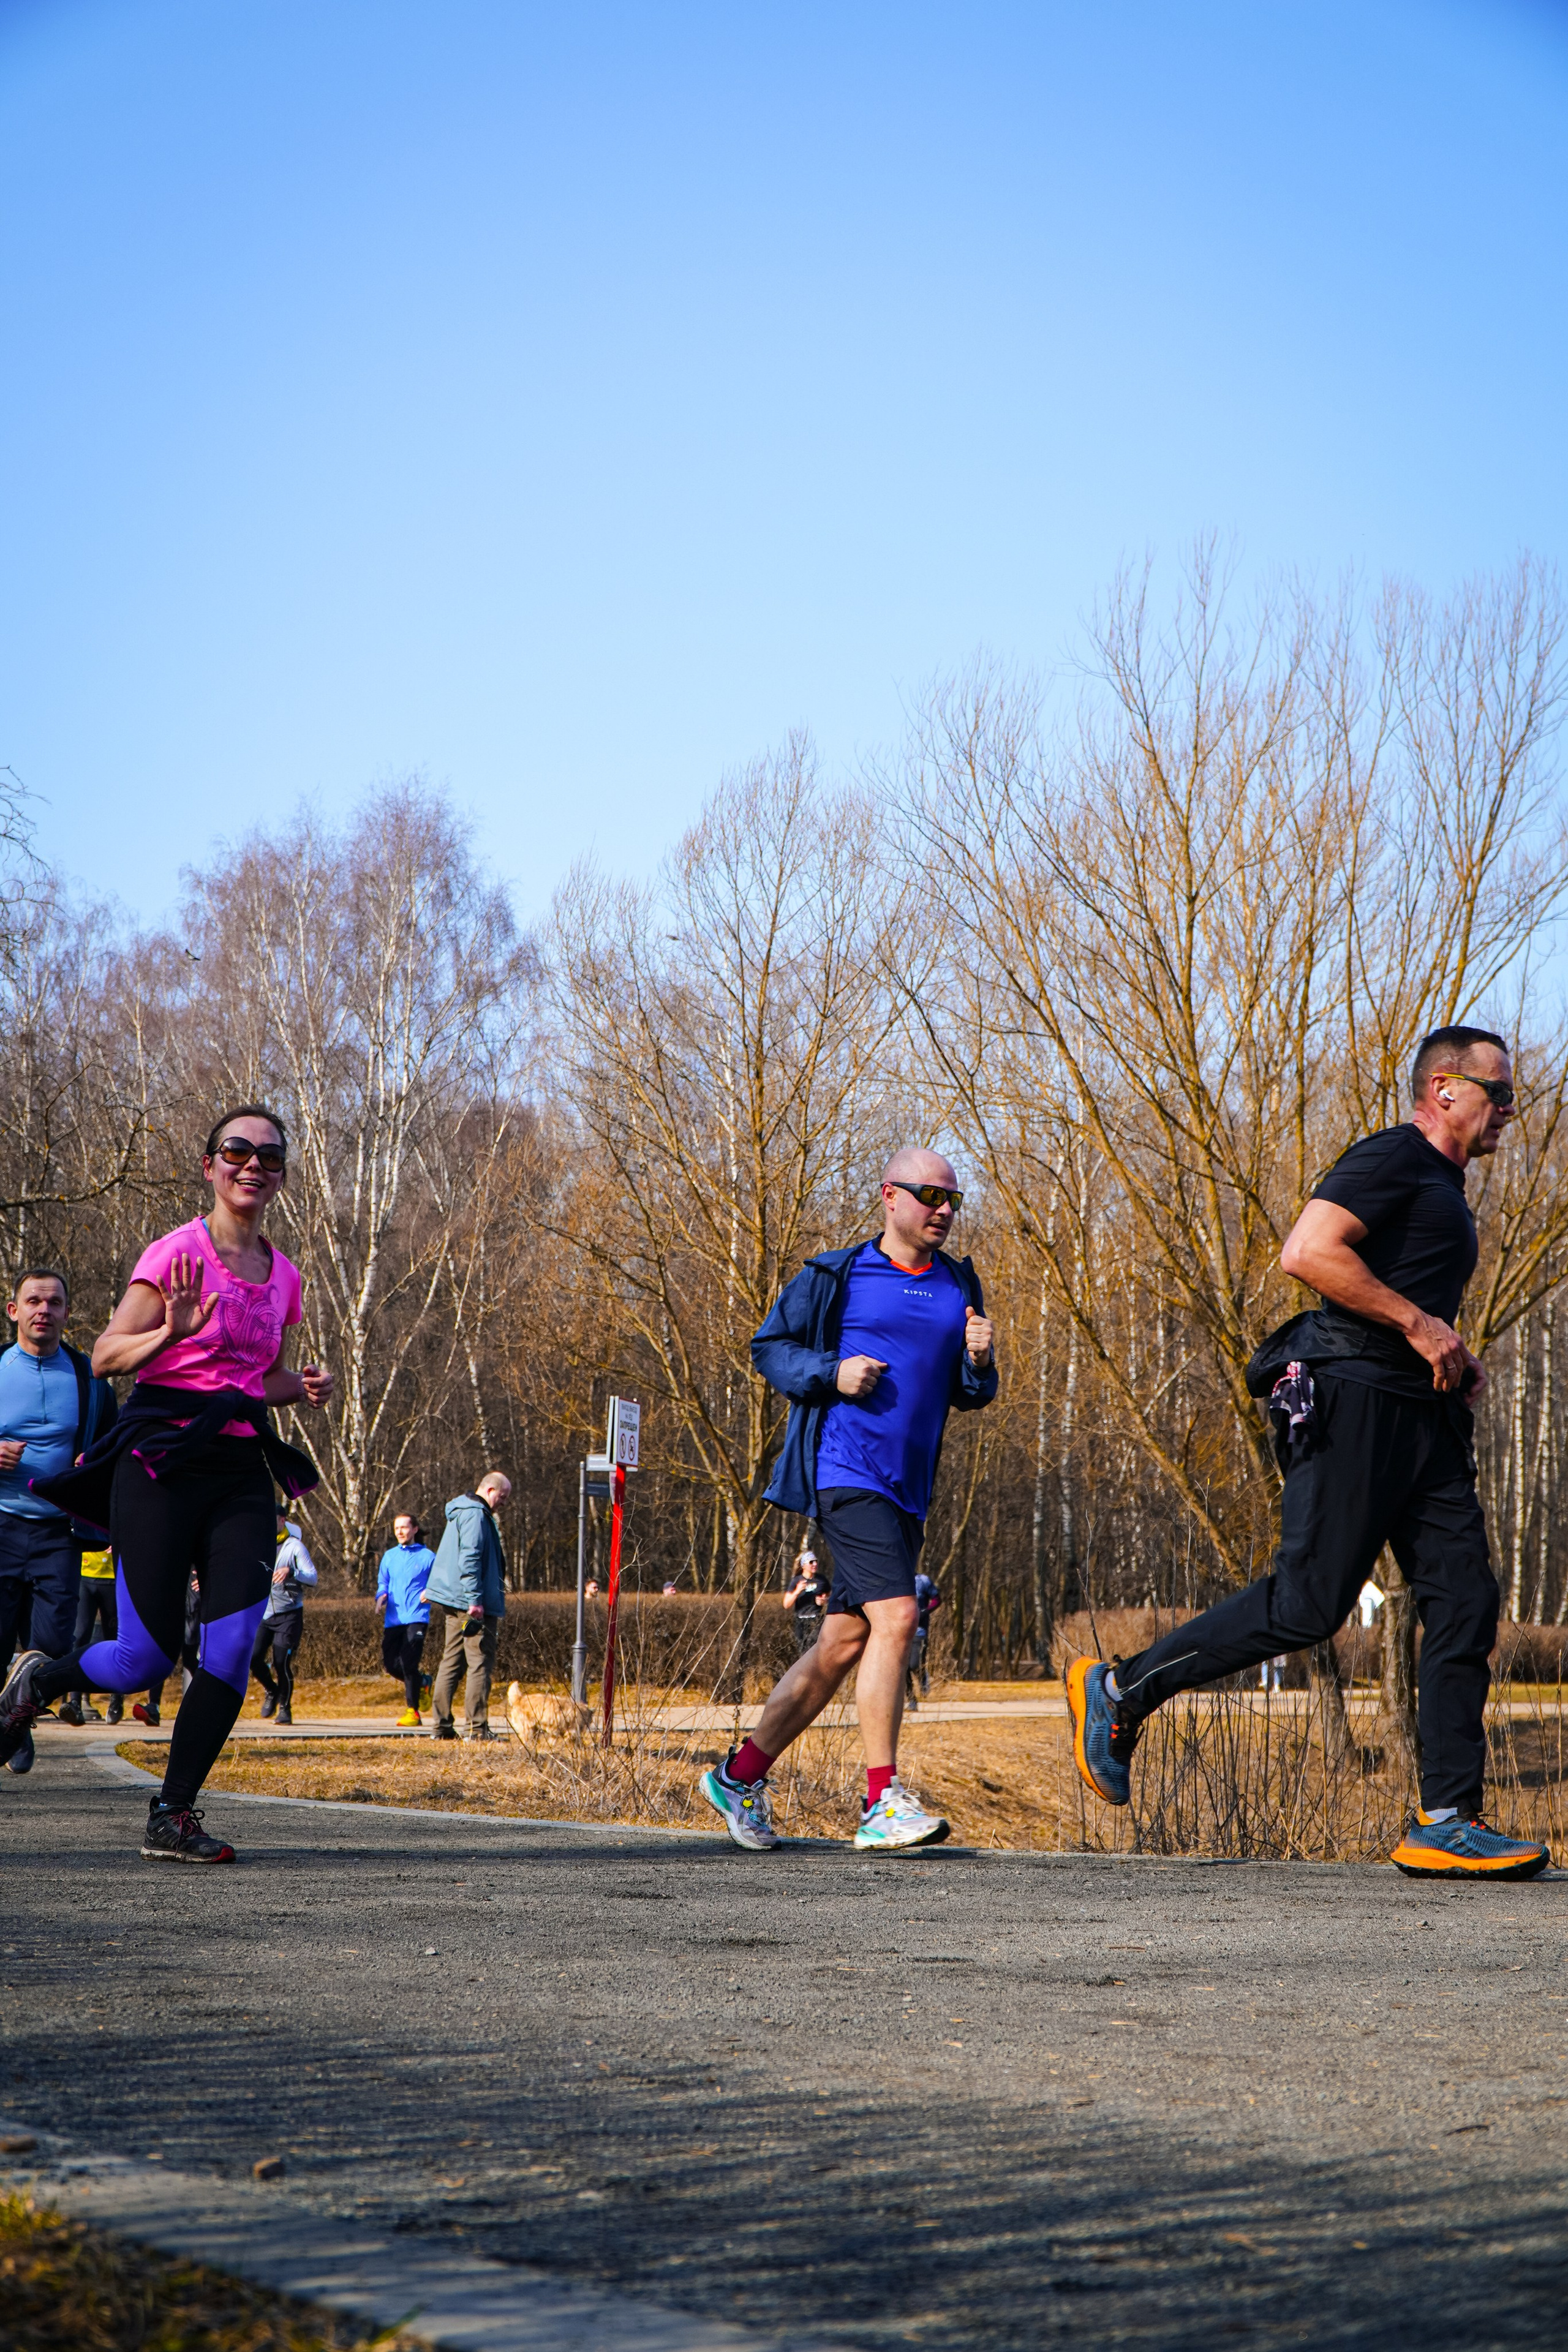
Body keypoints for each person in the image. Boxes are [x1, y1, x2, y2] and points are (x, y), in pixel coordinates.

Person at [1066, 1025, 1551, 1881]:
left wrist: (1450, 1350)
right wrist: (1418, 1325)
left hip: (1424, 1417)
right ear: (1444, 1089)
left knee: (1466, 1600)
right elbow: (1308, 1251)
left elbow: (1404, 1290)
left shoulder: (1443, 1183)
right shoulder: (1394, 1156)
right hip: (1353, 1400)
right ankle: (1121, 1689)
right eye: (1500, 1092)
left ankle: (1447, 1819)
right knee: (1309, 1605)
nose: (1512, 1109)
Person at [0, 1105, 332, 1863]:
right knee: (142, 1661)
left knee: (231, 1647)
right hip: (160, 1462)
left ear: (281, 1176)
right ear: (211, 1166)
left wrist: (304, 1387)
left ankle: (171, 1813)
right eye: (237, 1151)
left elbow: (261, 1381)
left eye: (269, 1157)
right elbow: (107, 1357)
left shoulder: (285, 1276)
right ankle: (39, 1683)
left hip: (239, 1466)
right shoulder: (176, 1253)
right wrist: (170, 1333)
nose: (253, 1166)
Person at [700, 1148, 997, 1851]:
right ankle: (879, 1802)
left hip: (909, 1491)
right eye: (930, 1195)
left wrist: (979, 1360)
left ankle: (737, 1777)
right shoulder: (837, 1274)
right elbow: (769, 1347)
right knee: (898, 1615)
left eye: (953, 1199)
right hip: (845, 1470)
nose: (944, 1210)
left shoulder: (959, 1282)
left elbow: (970, 1392)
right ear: (890, 1196)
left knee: (842, 1644)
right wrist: (832, 1373)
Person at [0, 1270, 118, 1768]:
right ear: (14, 1311)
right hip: (2, 1525)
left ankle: (17, 1718)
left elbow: (113, 1444)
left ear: (67, 1312)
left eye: (54, 1302)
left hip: (60, 1531)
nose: (43, 1310)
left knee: (51, 1645)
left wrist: (94, 1466)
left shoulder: (90, 1378)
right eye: (33, 1301)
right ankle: (12, 1727)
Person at [425, 1472, 511, 1743]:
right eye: (503, 1496)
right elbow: (470, 1558)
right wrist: (475, 1600)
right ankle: (476, 1729)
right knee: (479, 1662)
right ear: (490, 1490)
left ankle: (441, 1727)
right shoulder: (476, 1515)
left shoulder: (462, 1511)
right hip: (471, 1604)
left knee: (451, 1661)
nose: (504, 1503)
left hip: (454, 1599)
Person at [251, 1517, 317, 1724]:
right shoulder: (259, 1544)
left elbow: (313, 1577)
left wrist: (292, 1572)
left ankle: (285, 1709)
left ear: (282, 1520)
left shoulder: (295, 1547)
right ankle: (272, 1689)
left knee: (281, 1662)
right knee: (253, 1658)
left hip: (289, 1614)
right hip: (264, 1613)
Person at [376, 1511, 434, 1726]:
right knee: (391, 1666)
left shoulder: (428, 1557)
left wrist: (431, 1591)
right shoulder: (389, 1556)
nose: (400, 1532)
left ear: (415, 1529)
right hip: (393, 1619)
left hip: (417, 1617)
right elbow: (383, 1582)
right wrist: (381, 1596)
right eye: (397, 1528)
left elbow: (440, 1582)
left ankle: (413, 1712)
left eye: (404, 1527)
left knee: (409, 1663)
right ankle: (423, 1682)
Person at [783, 1546, 831, 1657]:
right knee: (803, 1652)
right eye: (811, 1562)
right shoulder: (796, 1581)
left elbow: (830, 1597)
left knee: (814, 1649)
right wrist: (797, 1591)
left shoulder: (822, 1580)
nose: (815, 1564)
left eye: (816, 1561)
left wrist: (825, 1601)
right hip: (800, 1621)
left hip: (817, 1620)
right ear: (804, 1565)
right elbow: (786, 1604)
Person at [906, 1568, 943, 1707]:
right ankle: (912, 1700)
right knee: (903, 1669)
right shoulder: (895, 1581)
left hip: (919, 1631)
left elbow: (937, 1600)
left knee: (915, 1665)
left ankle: (923, 1677)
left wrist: (925, 1612)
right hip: (900, 1633)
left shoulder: (923, 1581)